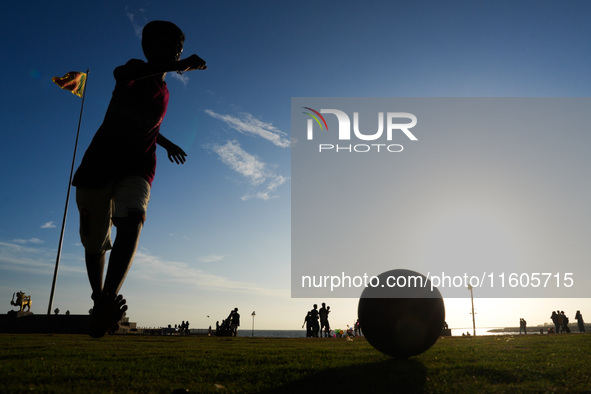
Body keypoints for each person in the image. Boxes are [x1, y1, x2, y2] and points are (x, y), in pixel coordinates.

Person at [73, 20, 207, 338]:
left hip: (139, 165)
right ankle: (99, 298)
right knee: (95, 242)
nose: (176, 50)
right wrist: (180, 65)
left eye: (180, 47)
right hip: (100, 163)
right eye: (169, 44)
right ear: (149, 47)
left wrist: (166, 141)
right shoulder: (135, 69)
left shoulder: (165, 92)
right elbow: (123, 76)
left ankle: (107, 301)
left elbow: (145, 123)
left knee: (132, 220)